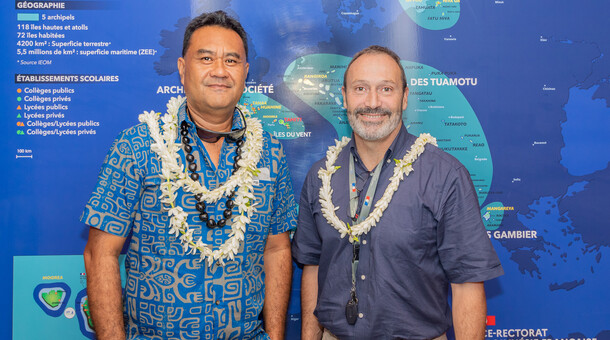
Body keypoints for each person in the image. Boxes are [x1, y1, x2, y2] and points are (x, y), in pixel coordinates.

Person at [82, 10, 297, 340]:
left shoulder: (270, 152)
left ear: (245, 73)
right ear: (183, 69)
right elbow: (100, 253)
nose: (219, 71)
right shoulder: (138, 146)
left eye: (231, 60)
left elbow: (278, 250)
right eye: (206, 58)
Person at [292, 45, 503, 340]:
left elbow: (467, 284)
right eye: (360, 88)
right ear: (344, 98)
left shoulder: (444, 175)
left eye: (386, 89)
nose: (373, 102)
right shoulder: (320, 177)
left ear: (404, 98)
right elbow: (313, 268)